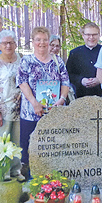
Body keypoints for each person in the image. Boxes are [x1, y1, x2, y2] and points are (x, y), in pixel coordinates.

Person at [16, 27, 71, 176]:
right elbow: (22, 82)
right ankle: (31, 179)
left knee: (56, 145)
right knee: (30, 147)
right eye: (38, 39)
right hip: (31, 112)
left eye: (45, 39)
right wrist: (34, 103)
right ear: (33, 42)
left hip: (55, 111)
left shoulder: (57, 61)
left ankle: (55, 178)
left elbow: (65, 82)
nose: (42, 43)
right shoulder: (26, 60)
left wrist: (61, 100)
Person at [0, 30, 25, 182]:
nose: (8, 45)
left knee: (17, 141)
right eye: (5, 43)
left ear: (15, 44)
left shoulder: (21, 59)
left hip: (20, 109)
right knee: (2, 144)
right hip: (1, 110)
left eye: (11, 42)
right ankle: (3, 174)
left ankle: (16, 171)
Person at [66, 22, 102, 97]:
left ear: (99, 35)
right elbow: (68, 74)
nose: (91, 37)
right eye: (88, 34)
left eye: (94, 34)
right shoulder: (74, 53)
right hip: (80, 95)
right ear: (83, 35)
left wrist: (100, 80)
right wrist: (81, 80)